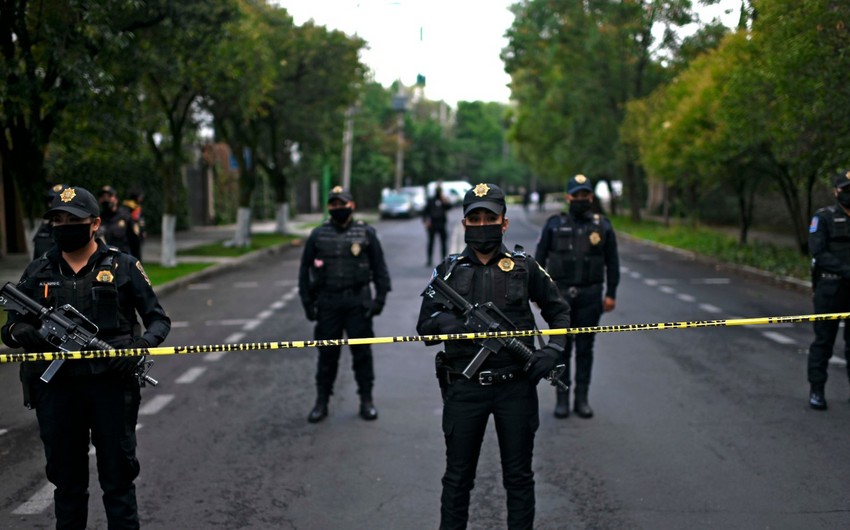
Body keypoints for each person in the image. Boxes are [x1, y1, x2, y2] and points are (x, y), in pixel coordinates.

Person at [1, 186, 171, 529]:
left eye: (73, 220)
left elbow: (158, 319)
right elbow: (11, 326)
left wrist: (137, 348)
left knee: (118, 482)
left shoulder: (122, 265)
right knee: (67, 486)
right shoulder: (38, 271)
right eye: (58, 220)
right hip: (58, 391)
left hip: (111, 386)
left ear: (94, 224)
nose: (64, 226)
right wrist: (19, 333)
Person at [417, 182, 570, 529]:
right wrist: (448, 325)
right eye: (475, 218)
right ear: (464, 224)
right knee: (457, 480)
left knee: (518, 478)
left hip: (515, 386)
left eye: (490, 217)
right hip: (464, 386)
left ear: (504, 223)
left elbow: (559, 312)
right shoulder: (449, 270)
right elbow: (424, 325)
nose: (482, 224)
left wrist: (553, 350)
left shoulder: (524, 266)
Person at [298, 186, 392, 423]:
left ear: (352, 205)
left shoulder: (366, 233)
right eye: (334, 204)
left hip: (358, 303)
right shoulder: (318, 235)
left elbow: (380, 269)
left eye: (343, 204)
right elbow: (304, 270)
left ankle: (366, 400)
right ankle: (321, 402)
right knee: (327, 355)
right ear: (329, 207)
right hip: (328, 303)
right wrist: (307, 302)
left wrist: (379, 299)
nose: (339, 208)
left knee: (362, 353)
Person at [535, 174, 620, 419]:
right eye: (577, 195)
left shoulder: (602, 226)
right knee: (561, 349)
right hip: (560, 299)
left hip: (591, 296)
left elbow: (612, 263)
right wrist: (538, 293)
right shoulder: (554, 224)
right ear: (568, 197)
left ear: (591, 197)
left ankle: (581, 399)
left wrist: (611, 293)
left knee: (585, 349)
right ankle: (562, 398)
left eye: (586, 195)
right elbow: (538, 263)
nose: (581, 199)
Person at [806, 169, 850, 410]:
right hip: (830, 287)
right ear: (836, 191)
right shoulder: (823, 217)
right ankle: (817, 390)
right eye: (847, 189)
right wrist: (846, 270)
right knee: (824, 340)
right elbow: (818, 252)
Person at [97, 185, 142, 260]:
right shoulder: (97, 219)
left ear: (116, 199)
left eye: (109, 196)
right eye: (103, 196)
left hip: (123, 261)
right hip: (104, 262)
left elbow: (135, 243)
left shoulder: (126, 217)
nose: (106, 199)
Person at [31, 183, 65, 259]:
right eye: (51, 201)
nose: (53, 204)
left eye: (59, 200)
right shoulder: (43, 230)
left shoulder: (78, 230)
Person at [423, 185, 451, 266]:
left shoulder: (442, 200)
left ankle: (444, 259)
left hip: (441, 223)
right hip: (432, 224)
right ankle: (429, 260)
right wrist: (426, 221)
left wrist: (445, 199)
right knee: (431, 242)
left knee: (443, 242)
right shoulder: (431, 200)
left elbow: (449, 207)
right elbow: (425, 211)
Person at [122, 189, 146, 262]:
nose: (141, 198)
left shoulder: (137, 206)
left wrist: (143, 231)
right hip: (131, 234)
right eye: (140, 196)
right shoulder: (129, 206)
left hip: (137, 233)